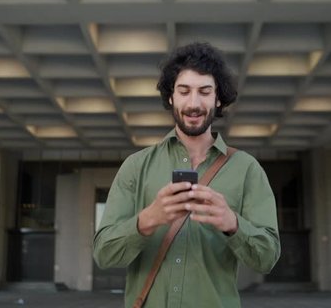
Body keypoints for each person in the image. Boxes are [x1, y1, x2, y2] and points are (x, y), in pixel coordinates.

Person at [93, 42, 280, 308]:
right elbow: (104, 254)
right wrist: (148, 219)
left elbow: (268, 259)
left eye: (204, 92)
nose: (194, 103)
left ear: (218, 98)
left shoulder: (247, 169)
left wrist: (232, 224)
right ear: (171, 97)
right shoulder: (136, 166)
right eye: (184, 91)